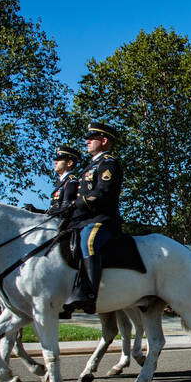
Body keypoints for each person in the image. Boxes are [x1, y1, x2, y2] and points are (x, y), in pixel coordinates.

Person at [62, 122, 124, 316]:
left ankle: (89, 293)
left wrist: (77, 203)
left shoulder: (109, 163)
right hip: (83, 219)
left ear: (104, 141)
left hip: (102, 219)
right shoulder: (91, 165)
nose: (87, 141)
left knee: (89, 240)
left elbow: (102, 193)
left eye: (92, 138)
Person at [22, 146, 81, 214]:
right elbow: (54, 211)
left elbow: (65, 210)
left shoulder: (71, 182)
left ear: (69, 163)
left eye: (60, 159)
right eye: (56, 160)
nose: (55, 162)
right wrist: (36, 211)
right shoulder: (62, 182)